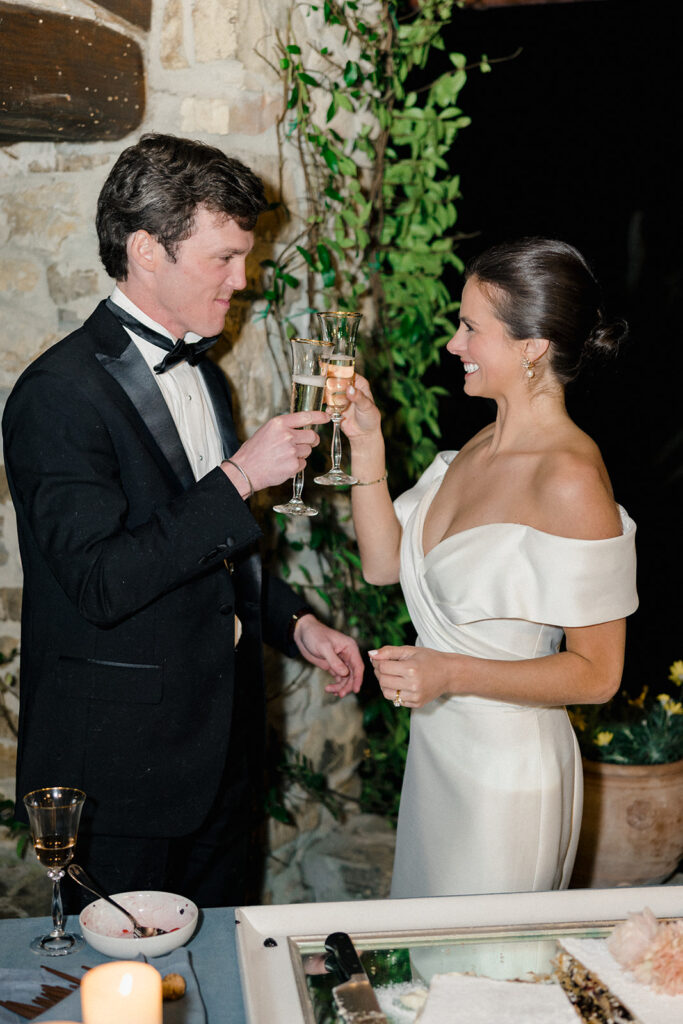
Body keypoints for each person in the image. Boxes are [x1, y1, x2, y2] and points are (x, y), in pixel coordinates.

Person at [2, 133, 363, 909]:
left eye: (245, 257)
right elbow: (101, 581)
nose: (244, 280)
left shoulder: (209, 372)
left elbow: (212, 558)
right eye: (223, 259)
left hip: (221, 758)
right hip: (116, 779)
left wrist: (296, 624)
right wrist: (238, 478)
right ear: (145, 249)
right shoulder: (55, 394)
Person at [341, 237, 638, 899]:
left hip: (507, 783)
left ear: (532, 347)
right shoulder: (475, 445)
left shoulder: (569, 478)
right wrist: (366, 444)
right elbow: (384, 564)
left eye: (471, 327)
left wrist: (447, 671)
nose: (453, 343)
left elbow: (598, 675)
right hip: (439, 759)